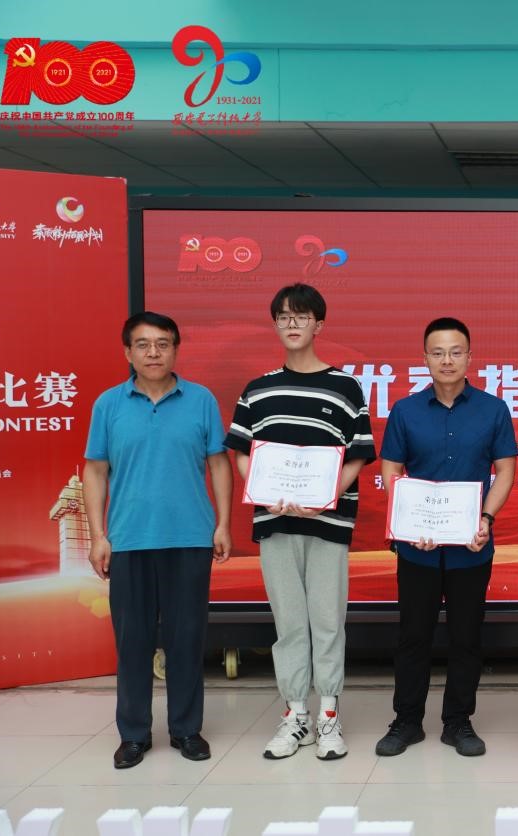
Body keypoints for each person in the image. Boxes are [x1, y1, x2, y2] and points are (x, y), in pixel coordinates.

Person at [224, 284, 376, 761]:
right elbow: (241, 453)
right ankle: (295, 715)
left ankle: (328, 714)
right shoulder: (258, 389)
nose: (292, 324)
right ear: (275, 325)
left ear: (319, 325)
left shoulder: (345, 387)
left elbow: (358, 453)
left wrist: (323, 497)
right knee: (289, 623)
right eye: (284, 317)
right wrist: (265, 491)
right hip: (275, 522)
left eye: (302, 316)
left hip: (328, 524)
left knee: (328, 622)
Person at [83, 311, 232, 769]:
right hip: (128, 540)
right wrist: (98, 535)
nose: (153, 353)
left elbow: (219, 463)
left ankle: (187, 730)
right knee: (133, 642)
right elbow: (95, 470)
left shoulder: (201, 400)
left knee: (187, 638)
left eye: (163, 344)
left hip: (189, 538)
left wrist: (223, 523)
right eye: (143, 345)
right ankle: (133, 735)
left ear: (175, 350)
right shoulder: (108, 404)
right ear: (127, 352)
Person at [376, 317, 517, 758]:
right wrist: (407, 519)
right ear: (425, 359)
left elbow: (505, 470)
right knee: (413, 635)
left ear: (470, 357)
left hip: (471, 546)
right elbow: (391, 468)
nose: (447, 360)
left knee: (466, 637)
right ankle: (407, 721)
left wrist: (486, 518)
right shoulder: (405, 411)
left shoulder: (493, 409)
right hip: (417, 548)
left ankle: (458, 721)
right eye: (437, 353)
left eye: (456, 352)